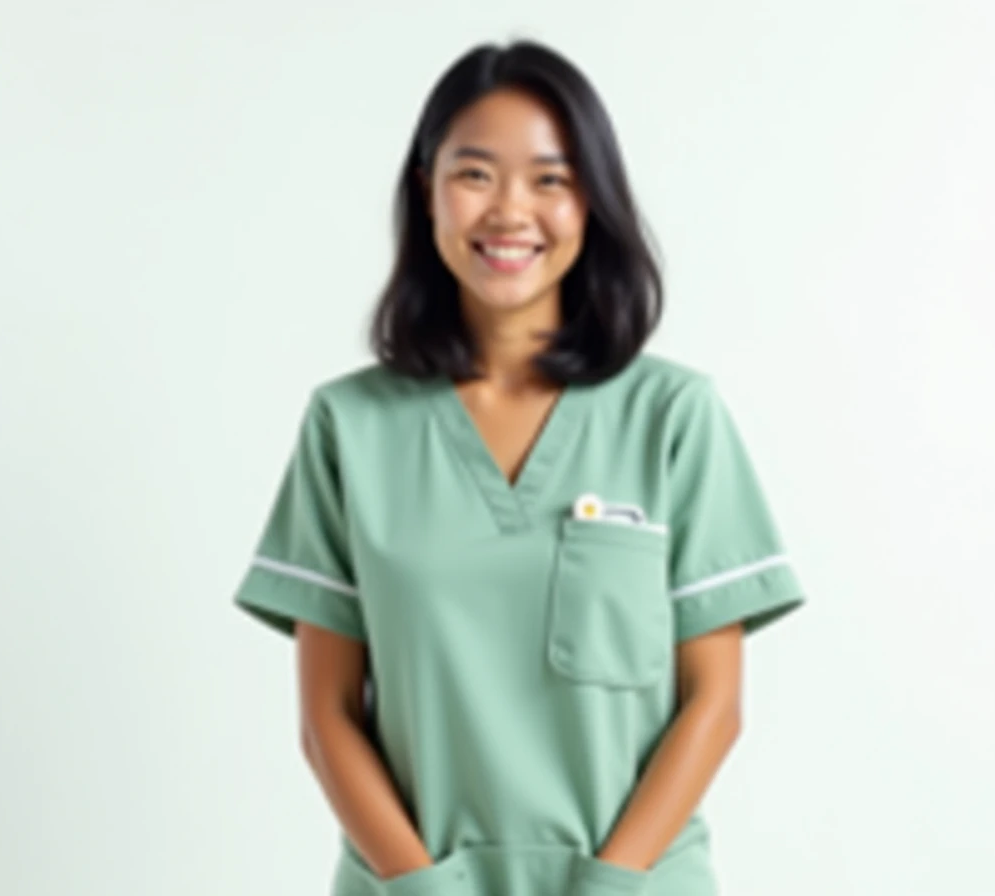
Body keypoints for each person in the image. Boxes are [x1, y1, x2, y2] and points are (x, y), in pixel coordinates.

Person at [232, 38, 805, 896]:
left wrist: (609, 885)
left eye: (551, 178)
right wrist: (424, 888)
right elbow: (326, 717)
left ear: (594, 201)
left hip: (632, 883)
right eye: (474, 174)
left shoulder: (673, 420)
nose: (509, 211)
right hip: (415, 884)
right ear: (427, 191)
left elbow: (713, 707)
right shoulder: (347, 430)